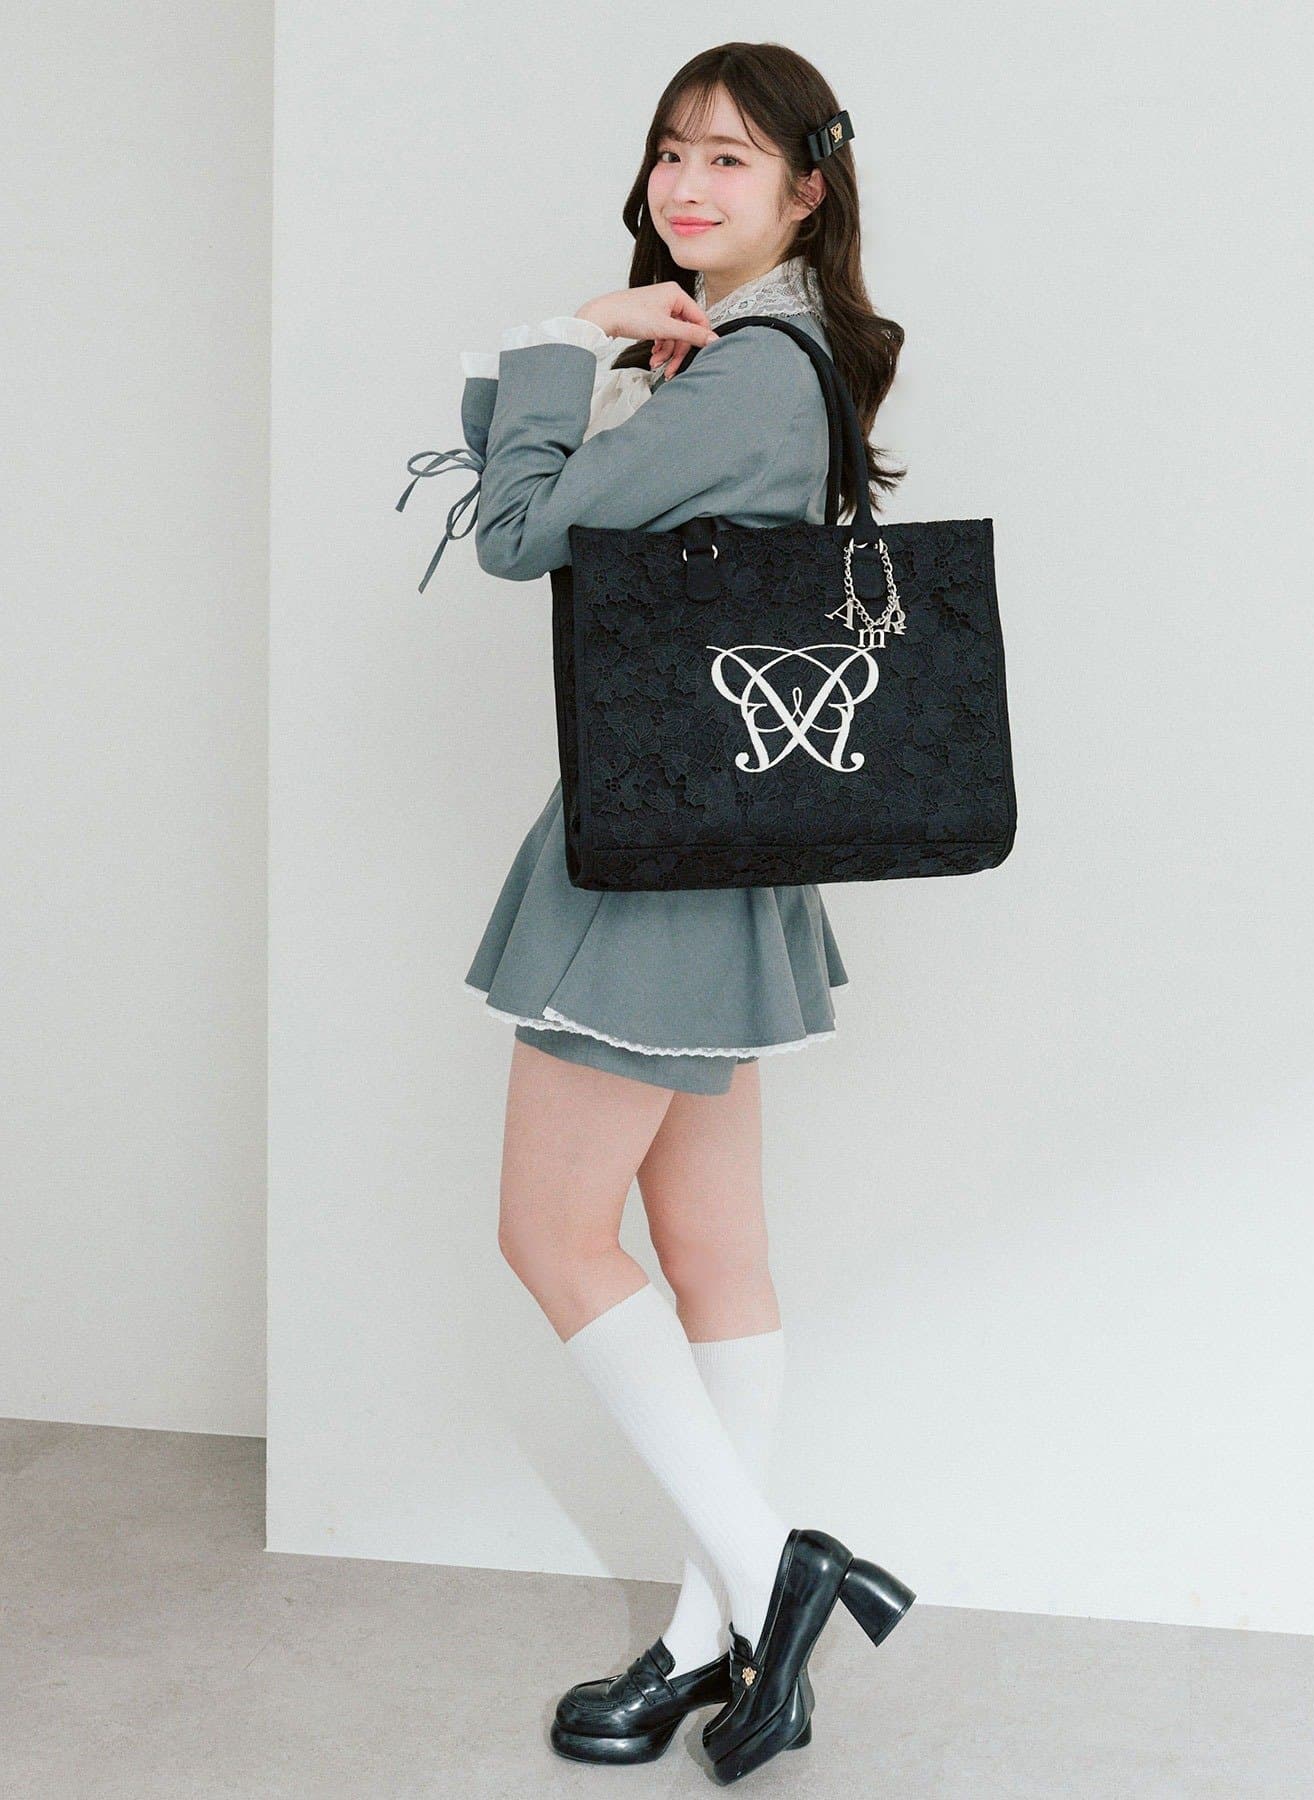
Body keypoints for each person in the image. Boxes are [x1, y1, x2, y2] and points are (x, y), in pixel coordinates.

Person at [444, 44, 915, 1784]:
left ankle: (776, 1568)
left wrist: (566, 338)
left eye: (729, 156)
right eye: (667, 153)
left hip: (654, 857)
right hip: (717, 845)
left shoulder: (749, 375)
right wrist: (620, 365)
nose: (686, 184)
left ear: (807, 189)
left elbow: (516, 534)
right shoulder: (757, 362)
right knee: (709, 1251)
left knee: (553, 1236)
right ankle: (714, 1639)